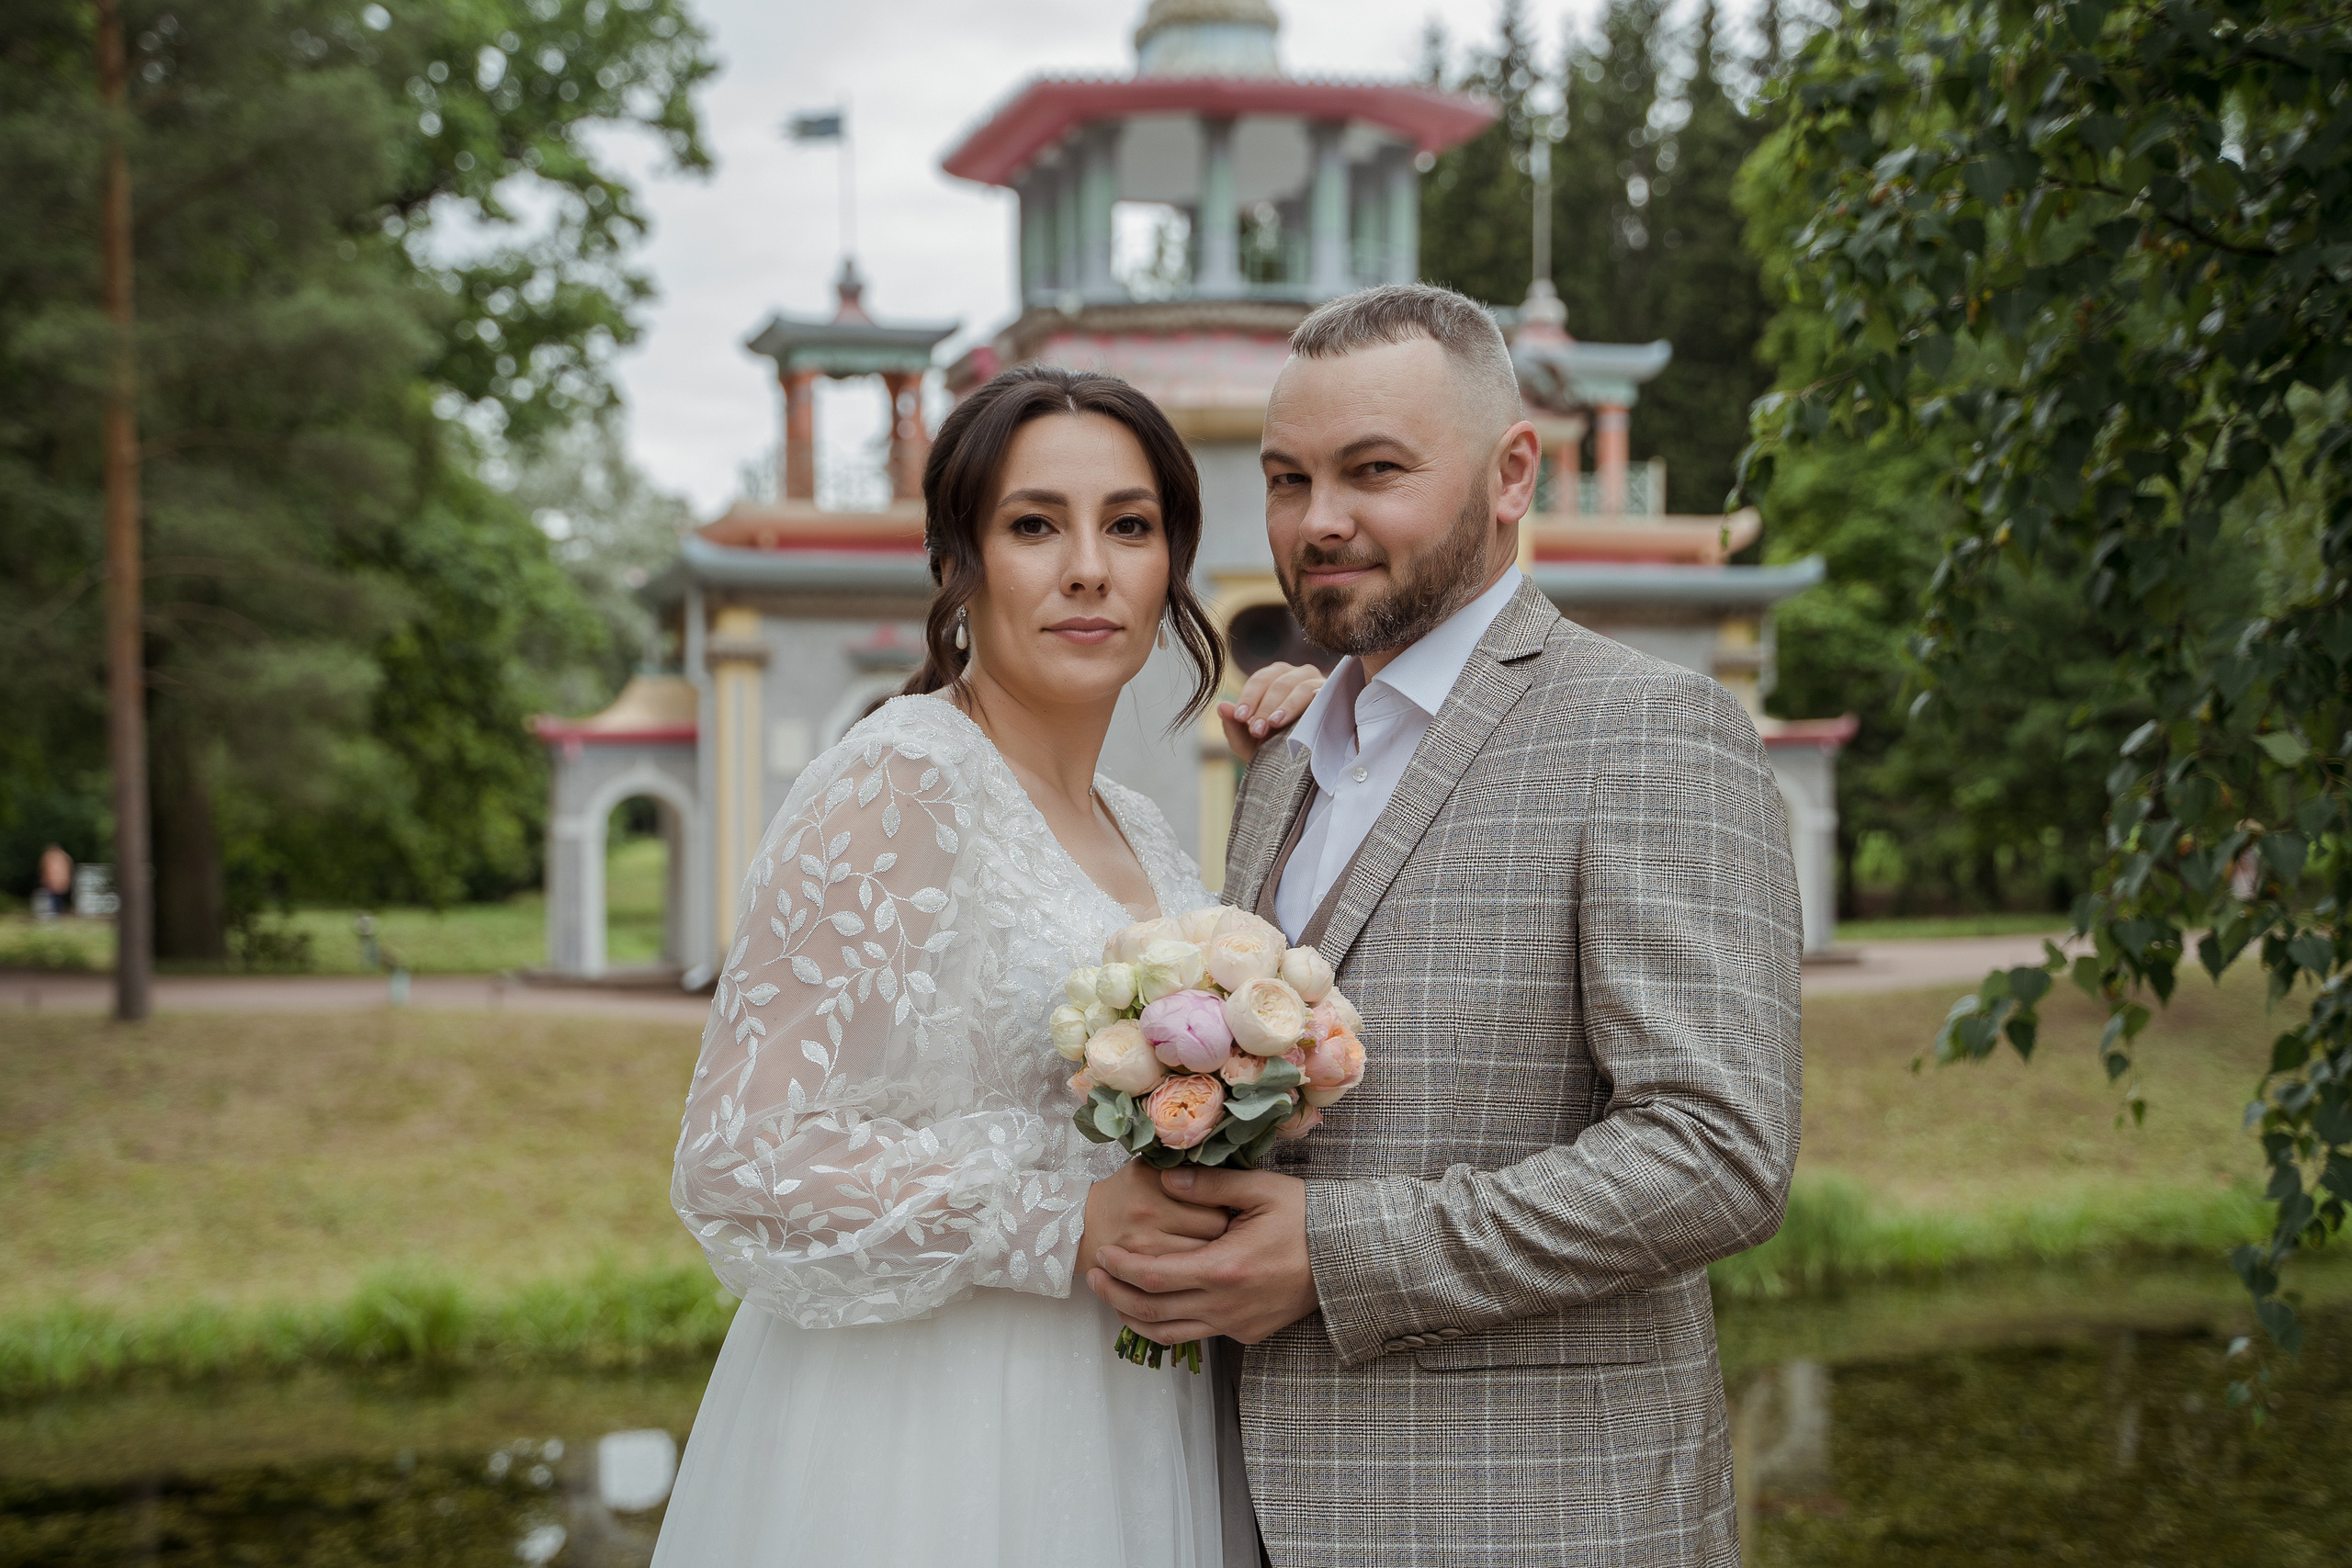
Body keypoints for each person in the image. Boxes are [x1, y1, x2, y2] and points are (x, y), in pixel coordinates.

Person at [1084, 284, 1804, 1567]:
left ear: (1512, 473)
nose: (1320, 520)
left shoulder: (1648, 730)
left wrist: (1339, 1255)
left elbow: (1719, 1150)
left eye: (1374, 471)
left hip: (1537, 1522)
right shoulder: (1287, 758)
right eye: (1289, 480)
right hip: (1250, 1509)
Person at [654, 365, 1325, 1567]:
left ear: (1171, 566)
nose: (1089, 568)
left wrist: (1320, 764)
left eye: (1130, 526)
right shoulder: (902, 779)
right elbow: (741, 1159)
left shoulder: (1144, 831)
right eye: (1034, 526)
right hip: (944, 1429)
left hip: (1136, 1413)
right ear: (956, 563)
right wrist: (1060, 1221)